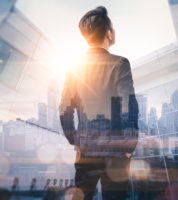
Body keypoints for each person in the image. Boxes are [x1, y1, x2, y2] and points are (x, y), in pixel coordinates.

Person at [59, 6, 138, 200]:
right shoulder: (120, 63)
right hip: (116, 151)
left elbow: (64, 108)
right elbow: (129, 104)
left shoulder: (74, 67)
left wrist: (74, 140)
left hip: (85, 148)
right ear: (109, 32)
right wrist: (129, 146)